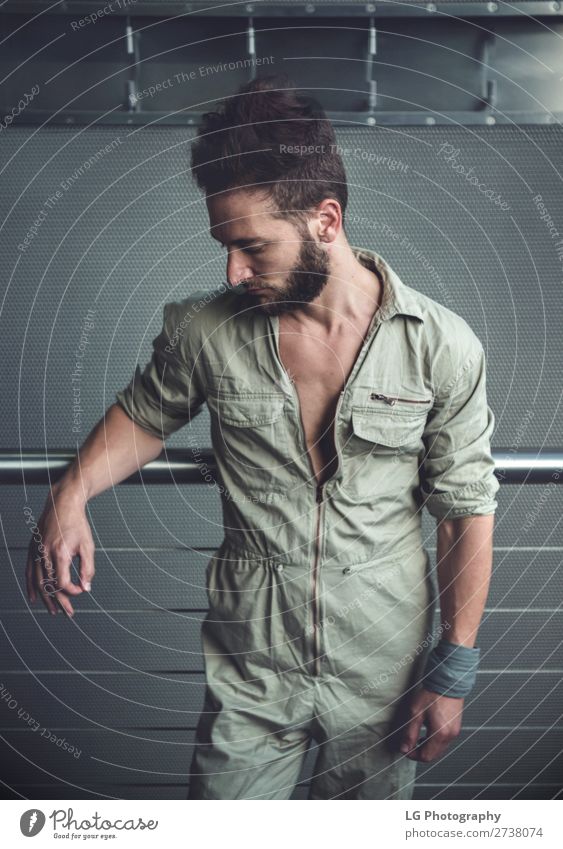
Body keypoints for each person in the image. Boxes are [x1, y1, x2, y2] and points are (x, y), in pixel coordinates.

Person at [26, 74, 499, 800]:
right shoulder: (204, 330)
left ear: (326, 220)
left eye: (250, 247)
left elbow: (465, 509)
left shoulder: (442, 345)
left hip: (383, 667)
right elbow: (146, 416)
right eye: (225, 246)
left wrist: (452, 670)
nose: (232, 270)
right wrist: (70, 492)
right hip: (251, 667)